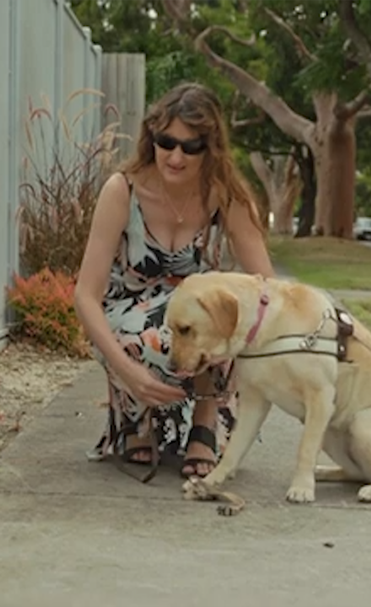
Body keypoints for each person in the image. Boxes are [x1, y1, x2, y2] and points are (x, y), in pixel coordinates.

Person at [74, 82, 275, 481]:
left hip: (191, 313)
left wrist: (242, 335)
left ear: (211, 147)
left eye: (191, 147)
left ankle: (205, 417)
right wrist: (126, 372)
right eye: (166, 142)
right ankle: (135, 411)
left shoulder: (228, 197)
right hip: (126, 314)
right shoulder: (122, 190)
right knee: (150, 338)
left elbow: (267, 287)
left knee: (229, 315)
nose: (175, 156)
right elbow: (85, 295)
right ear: (152, 138)